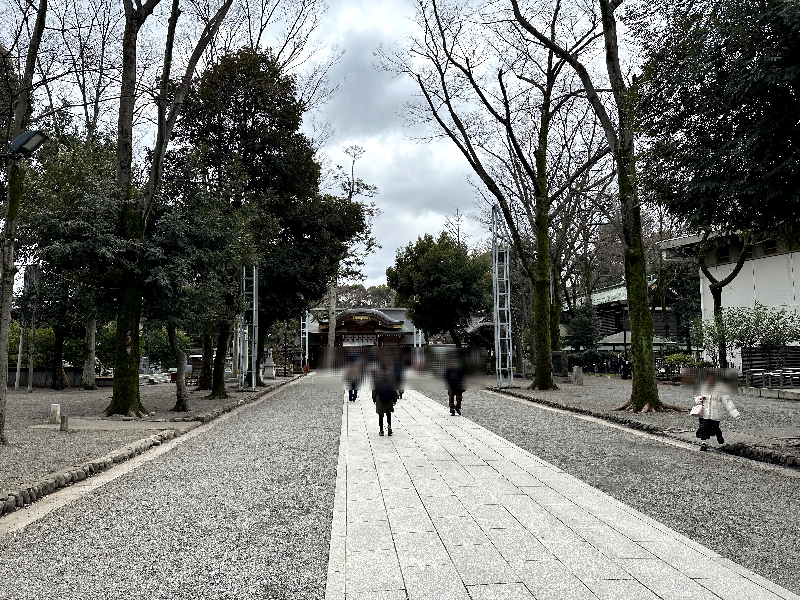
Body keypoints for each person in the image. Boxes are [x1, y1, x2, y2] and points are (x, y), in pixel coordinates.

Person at [693, 372, 740, 451]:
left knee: (714, 429)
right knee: (703, 428)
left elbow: (727, 402)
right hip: (704, 414)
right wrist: (700, 398)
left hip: (715, 414)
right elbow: (696, 398)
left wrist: (735, 414)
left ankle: (719, 435)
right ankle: (703, 444)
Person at [373, 363, 398, 436]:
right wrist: (395, 399)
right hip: (389, 397)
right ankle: (389, 426)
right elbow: (394, 388)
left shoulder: (377, 376)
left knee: (380, 414)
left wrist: (374, 398)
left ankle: (381, 430)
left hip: (380, 397)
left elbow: (374, 388)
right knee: (388, 413)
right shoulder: (391, 376)